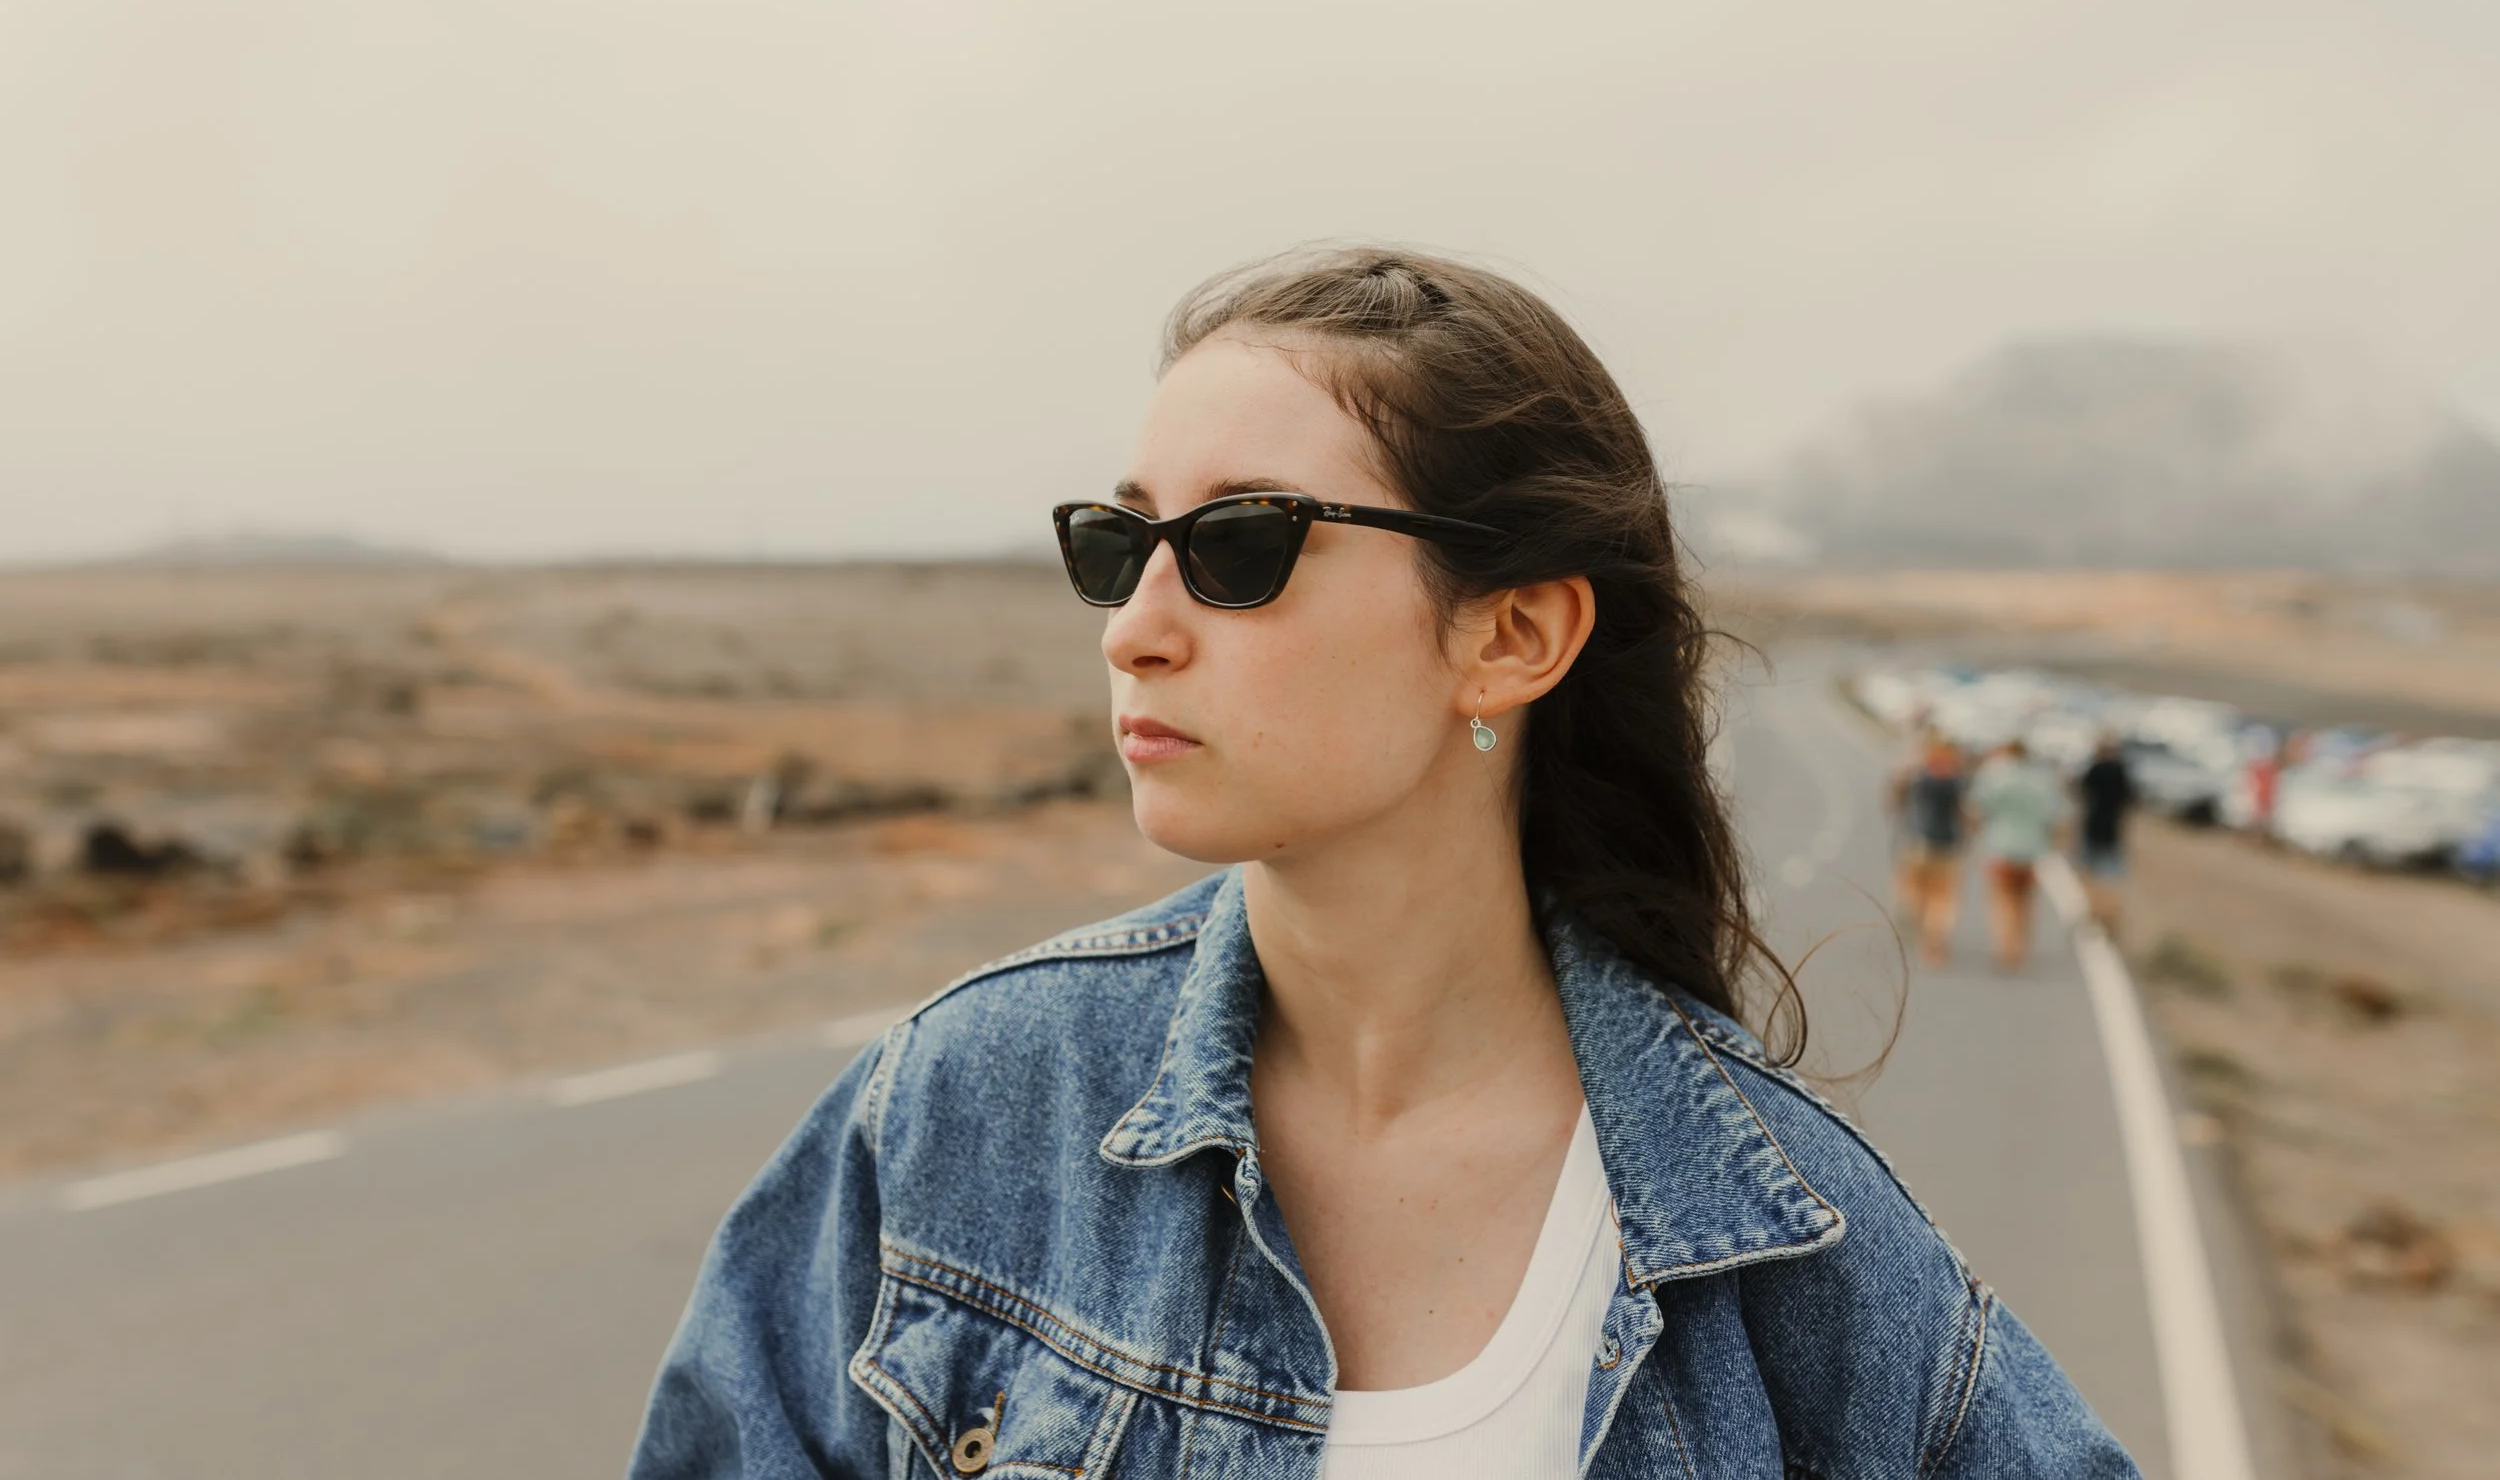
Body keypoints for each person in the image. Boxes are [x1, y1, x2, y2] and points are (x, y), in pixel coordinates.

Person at [629, 249, 2135, 1478]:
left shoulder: (1780, 1235)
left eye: (1239, 543)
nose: (1134, 624)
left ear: (1510, 636)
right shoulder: (967, 1104)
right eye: (1118, 539)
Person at [1967, 737, 2066, 972]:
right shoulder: (2043, 779)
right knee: (2026, 900)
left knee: (2002, 899)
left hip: (2001, 846)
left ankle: (2005, 945)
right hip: (2032, 849)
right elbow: (2057, 816)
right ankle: (2020, 945)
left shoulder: (1995, 775)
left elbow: (1976, 808)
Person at [1892, 728, 1970, 967]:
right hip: (1947, 845)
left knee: (1916, 890)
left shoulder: (1918, 775)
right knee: (1943, 899)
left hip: (1917, 842)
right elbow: (1966, 813)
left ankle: (1920, 925)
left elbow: (1897, 799)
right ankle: (1934, 943)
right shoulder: (1958, 780)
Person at [2074, 734, 2137, 936]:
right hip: (2113, 830)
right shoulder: (2123, 772)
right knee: (2111, 876)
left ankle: (2095, 913)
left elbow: (2081, 793)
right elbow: (2131, 800)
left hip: (2093, 828)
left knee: (2090, 874)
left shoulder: (2094, 770)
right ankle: (2110, 915)